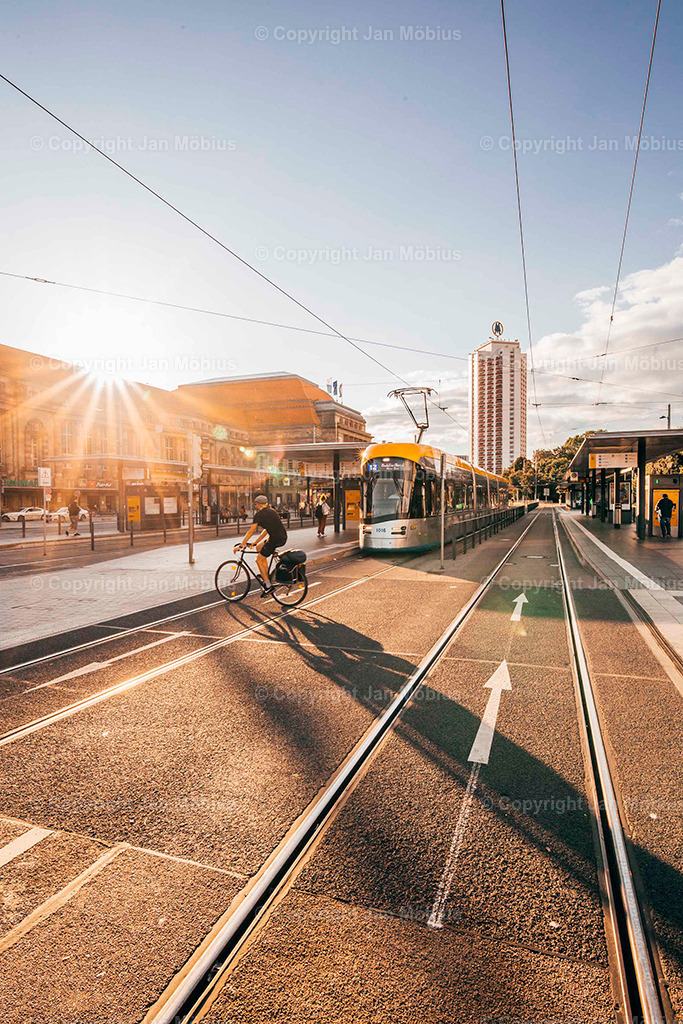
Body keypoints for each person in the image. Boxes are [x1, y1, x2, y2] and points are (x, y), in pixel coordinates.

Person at [236, 494, 288, 596]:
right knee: (259, 548)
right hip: (282, 537)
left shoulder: (259, 515)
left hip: (274, 540)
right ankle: (266, 574)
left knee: (258, 560)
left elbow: (250, 531)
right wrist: (255, 542)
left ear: (257, 504)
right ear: (266, 504)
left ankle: (268, 585)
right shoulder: (272, 512)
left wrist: (241, 545)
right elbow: (266, 530)